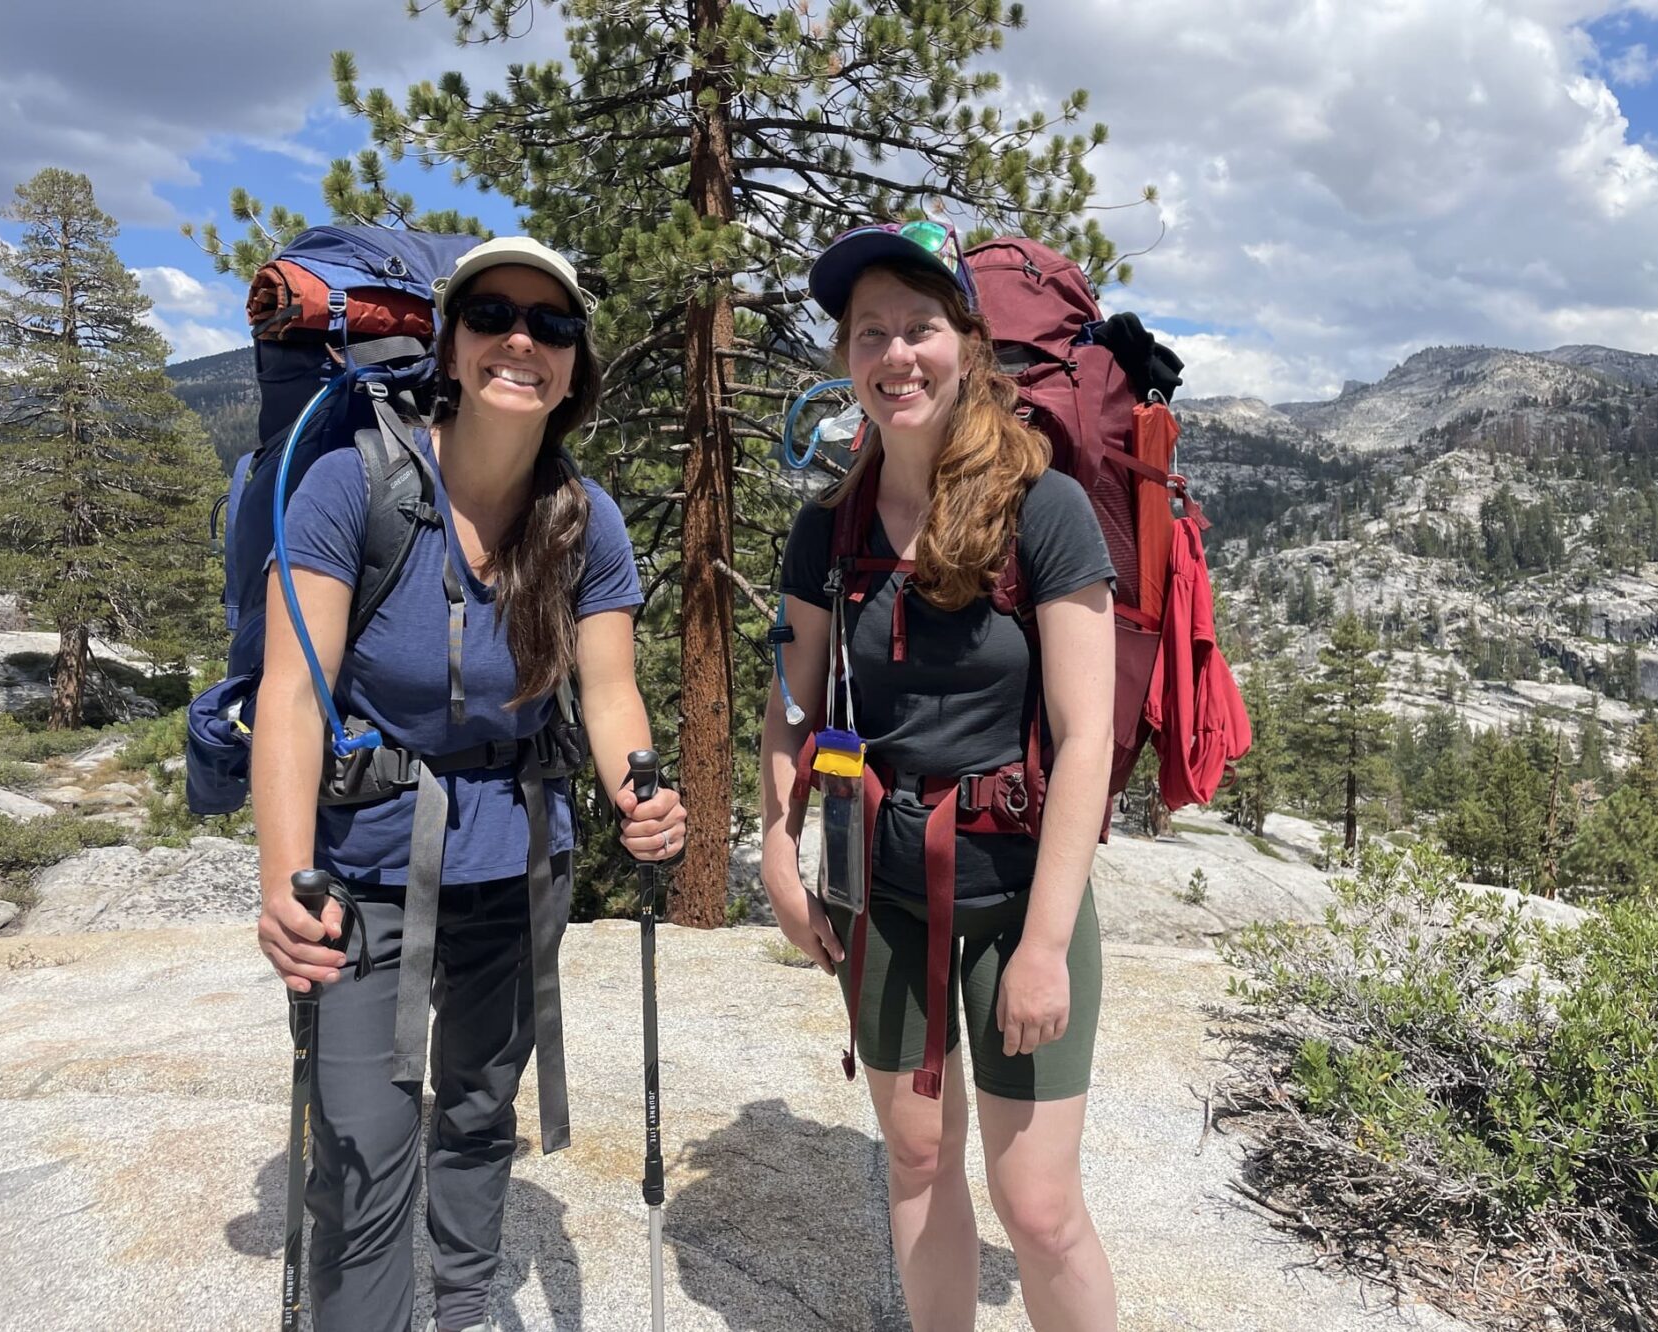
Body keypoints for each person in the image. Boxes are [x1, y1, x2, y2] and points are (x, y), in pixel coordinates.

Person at [252, 235, 686, 1332]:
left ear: (575, 366)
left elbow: (611, 692)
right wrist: (284, 880)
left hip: (516, 857)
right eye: (492, 315)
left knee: (482, 1110)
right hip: (364, 871)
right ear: (450, 344)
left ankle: (463, 1309)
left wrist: (641, 797)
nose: (520, 340)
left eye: (552, 325)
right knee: (361, 1145)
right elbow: (292, 695)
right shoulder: (354, 488)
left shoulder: (584, 521)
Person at [759, 220, 1120, 1331]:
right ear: (846, 359)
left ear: (967, 342)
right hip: (887, 895)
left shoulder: (1042, 509)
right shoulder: (829, 531)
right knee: (917, 1160)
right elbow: (791, 704)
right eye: (870, 333)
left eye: (919, 327)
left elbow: (1088, 736)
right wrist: (777, 849)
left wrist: (1046, 949)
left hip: (1018, 895)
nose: (895, 355)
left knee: (1038, 1204)